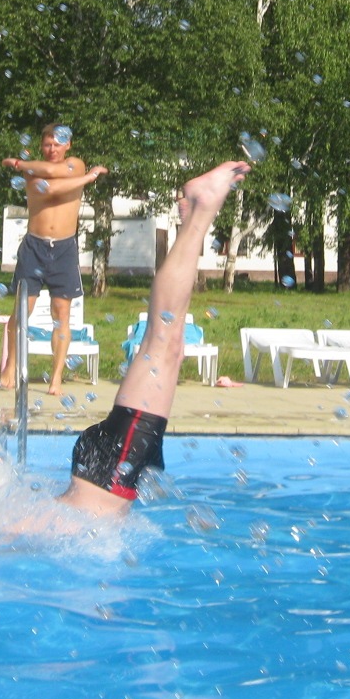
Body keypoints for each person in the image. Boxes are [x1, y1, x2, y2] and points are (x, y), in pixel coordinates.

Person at [59, 160, 250, 516]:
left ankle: (201, 211)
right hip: (104, 478)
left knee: (164, 344)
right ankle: (193, 221)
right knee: (169, 350)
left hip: (105, 476)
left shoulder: (9, 530)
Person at [0, 124, 107, 395]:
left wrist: (21, 164)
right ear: (41, 145)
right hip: (34, 246)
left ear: (68, 145)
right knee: (22, 310)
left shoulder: (75, 164)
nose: (52, 149)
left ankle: (56, 377)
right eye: (48, 144)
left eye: (58, 144)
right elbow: (49, 189)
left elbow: (61, 175)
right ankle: (10, 365)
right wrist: (87, 179)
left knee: (62, 314)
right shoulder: (33, 171)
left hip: (64, 249)